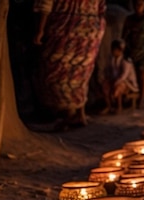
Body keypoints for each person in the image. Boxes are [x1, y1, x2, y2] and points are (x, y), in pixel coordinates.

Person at [33, 0, 106, 130]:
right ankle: (77, 113)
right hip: (89, 28)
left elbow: (45, 5)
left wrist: (40, 30)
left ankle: (68, 115)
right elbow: (101, 8)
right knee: (80, 73)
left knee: (59, 71)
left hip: (67, 29)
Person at [122, 0, 144, 109]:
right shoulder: (129, 19)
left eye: (141, 4)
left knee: (143, 76)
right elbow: (123, 36)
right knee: (135, 77)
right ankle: (135, 98)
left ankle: (141, 101)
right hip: (132, 52)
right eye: (136, 4)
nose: (138, 7)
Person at [100, 39, 139, 115]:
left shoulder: (126, 60)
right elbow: (108, 70)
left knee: (119, 86)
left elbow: (124, 75)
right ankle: (109, 106)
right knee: (105, 85)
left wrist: (117, 81)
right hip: (115, 79)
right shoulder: (111, 58)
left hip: (128, 83)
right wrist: (108, 79)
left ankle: (119, 107)